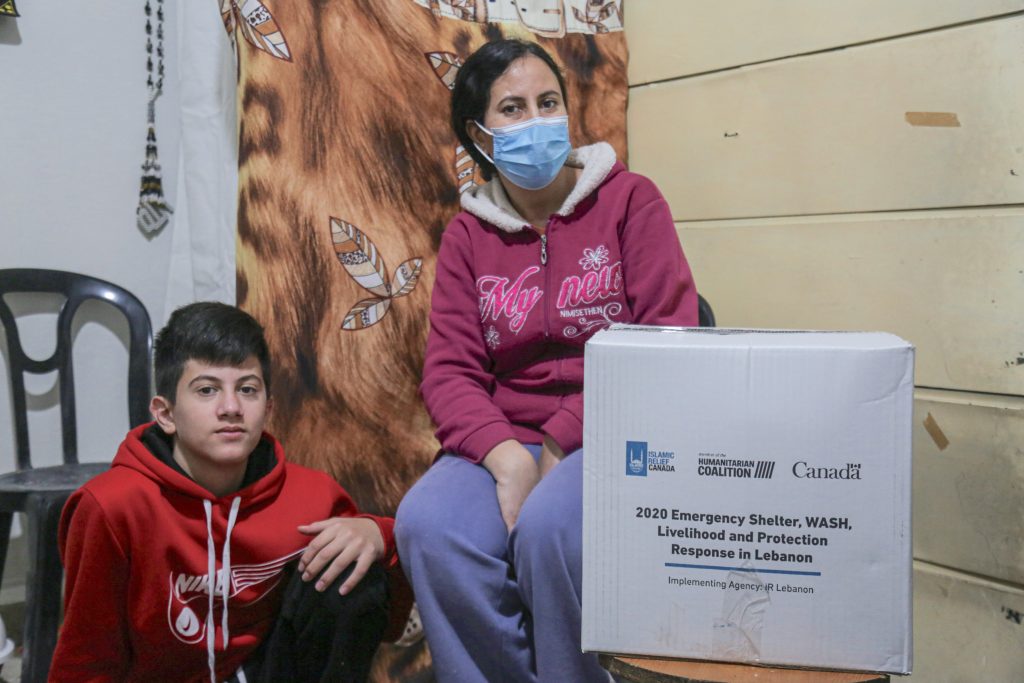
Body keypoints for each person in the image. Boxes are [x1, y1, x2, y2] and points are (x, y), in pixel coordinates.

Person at [395, 39, 698, 682]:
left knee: (550, 530)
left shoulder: (631, 201)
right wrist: (505, 457)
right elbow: (450, 372)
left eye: (548, 102)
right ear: (479, 136)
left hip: (616, 429)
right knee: (429, 525)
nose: (536, 120)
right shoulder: (467, 235)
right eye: (512, 108)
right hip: (509, 435)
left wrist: (561, 440)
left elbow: (666, 339)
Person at [50, 302, 398, 683]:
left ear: (267, 408)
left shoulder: (312, 495)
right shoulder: (112, 506)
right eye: (207, 390)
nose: (231, 408)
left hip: (265, 672)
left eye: (247, 389)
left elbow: (385, 603)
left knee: (352, 567)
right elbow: (87, 655)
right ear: (165, 413)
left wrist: (377, 533)